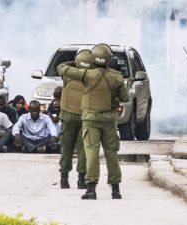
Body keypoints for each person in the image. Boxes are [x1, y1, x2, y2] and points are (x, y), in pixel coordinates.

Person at [58, 43, 129, 200]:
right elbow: (125, 98)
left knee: (91, 153)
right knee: (111, 154)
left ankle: (91, 188)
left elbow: (61, 69)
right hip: (109, 120)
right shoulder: (116, 76)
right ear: (109, 59)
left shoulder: (87, 75)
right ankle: (115, 189)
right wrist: (113, 98)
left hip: (90, 120)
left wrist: (76, 63)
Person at [58, 49, 93, 190]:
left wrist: (76, 62)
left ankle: (64, 179)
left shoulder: (68, 76)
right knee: (83, 149)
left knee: (66, 148)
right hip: (85, 117)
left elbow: (61, 66)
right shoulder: (92, 77)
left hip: (68, 116)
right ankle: (81, 180)